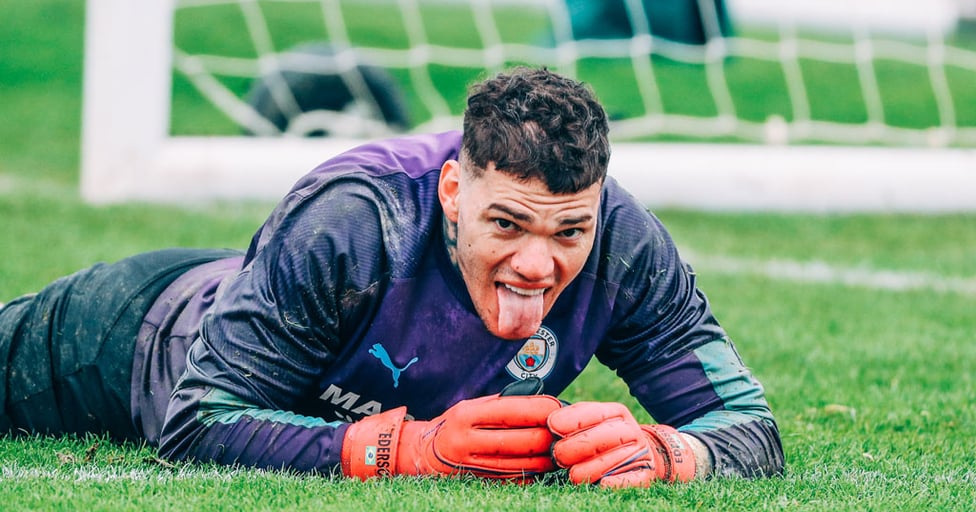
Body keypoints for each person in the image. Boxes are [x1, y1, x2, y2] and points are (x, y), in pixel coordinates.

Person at [0, 67, 783, 488]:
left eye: (568, 230)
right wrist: (405, 449)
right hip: (127, 339)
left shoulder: (623, 247)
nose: (538, 264)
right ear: (452, 190)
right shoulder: (356, 218)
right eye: (507, 224)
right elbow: (197, 418)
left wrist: (667, 451)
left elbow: (749, 424)